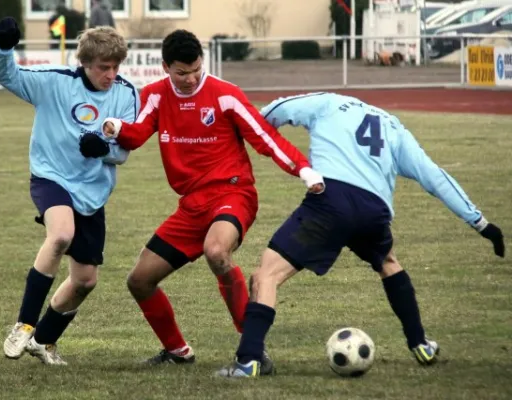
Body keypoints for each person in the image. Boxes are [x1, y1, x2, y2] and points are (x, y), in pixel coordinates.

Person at [217, 92, 506, 378]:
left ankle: (249, 360)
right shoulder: (393, 125)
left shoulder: (328, 102)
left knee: (266, 276)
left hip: (331, 202)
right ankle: (420, 344)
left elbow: (276, 110)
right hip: (373, 210)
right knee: (388, 263)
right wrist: (480, 223)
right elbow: (433, 176)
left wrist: (239, 131)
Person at [101, 29, 324, 368]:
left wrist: (304, 170)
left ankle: (252, 350)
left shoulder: (225, 95)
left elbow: (264, 138)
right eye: (181, 73)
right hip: (192, 205)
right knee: (140, 281)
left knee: (216, 251)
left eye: (196, 70)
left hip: (233, 193)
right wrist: (117, 128)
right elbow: (137, 134)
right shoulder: (156, 96)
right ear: (165, 67)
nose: (190, 79)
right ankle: (177, 352)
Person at [0, 17, 139, 365]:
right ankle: (24, 324)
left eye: (116, 66)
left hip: (91, 193)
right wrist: (3, 48)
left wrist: (103, 150)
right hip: (50, 177)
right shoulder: (54, 83)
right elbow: (6, 75)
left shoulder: (126, 93)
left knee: (85, 281)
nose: (111, 74)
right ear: (85, 63)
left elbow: (124, 152)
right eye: (104, 67)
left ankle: (43, 340)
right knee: (60, 236)